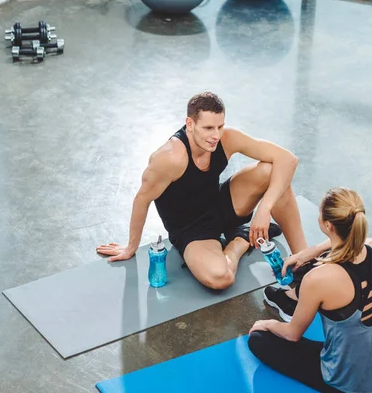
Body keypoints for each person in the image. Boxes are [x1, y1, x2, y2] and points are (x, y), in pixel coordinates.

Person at [96, 91, 308, 290]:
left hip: (221, 204)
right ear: (190, 124)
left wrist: (265, 208)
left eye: (220, 127)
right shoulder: (171, 158)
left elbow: (288, 159)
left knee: (275, 173)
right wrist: (130, 247)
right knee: (221, 278)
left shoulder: (226, 138)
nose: (216, 135)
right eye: (208, 128)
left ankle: (304, 262)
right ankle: (240, 241)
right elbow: (142, 200)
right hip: (191, 229)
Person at [248, 187, 372, 393]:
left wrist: (267, 323)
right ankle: (292, 300)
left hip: (346, 377)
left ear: (327, 225)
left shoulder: (317, 279)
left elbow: (292, 335)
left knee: (258, 340)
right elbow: (344, 243)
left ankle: (289, 303)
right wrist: (311, 252)